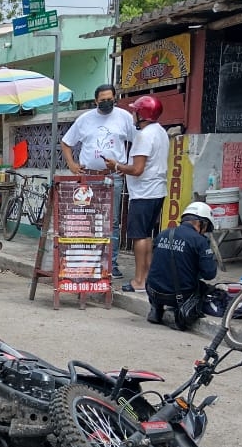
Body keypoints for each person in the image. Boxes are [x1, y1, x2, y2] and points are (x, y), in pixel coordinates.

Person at [60, 84, 136, 277]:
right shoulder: (85, 119)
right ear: (95, 101)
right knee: (88, 219)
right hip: (88, 177)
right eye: (102, 100)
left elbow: (138, 141)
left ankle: (111, 264)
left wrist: (129, 166)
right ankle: (89, 263)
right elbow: (66, 143)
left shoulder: (124, 117)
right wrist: (72, 165)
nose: (106, 102)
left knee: (112, 221)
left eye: (110, 98)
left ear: (115, 98)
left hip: (114, 177)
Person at [104, 95, 168, 293]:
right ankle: (146, 277)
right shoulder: (160, 132)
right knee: (146, 235)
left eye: (135, 111)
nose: (132, 114)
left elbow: (137, 169)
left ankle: (139, 280)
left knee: (139, 237)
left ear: (142, 114)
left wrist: (117, 165)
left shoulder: (144, 136)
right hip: (156, 191)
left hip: (144, 193)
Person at [146, 202, 218, 330]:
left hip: (152, 290)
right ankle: (179, 313)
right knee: (204, 288)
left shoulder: (163, 233)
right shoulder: (199, 241)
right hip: (178, 296)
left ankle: (156, 309)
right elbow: (209, 274)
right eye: (206, 227)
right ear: (201, 223)